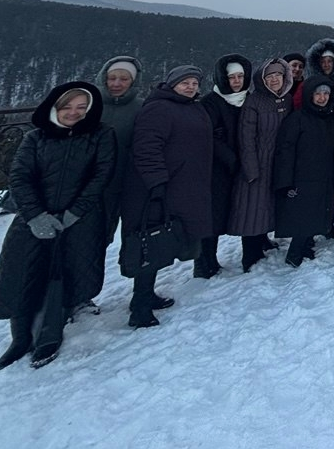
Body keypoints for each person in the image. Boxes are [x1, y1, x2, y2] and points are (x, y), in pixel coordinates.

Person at [0, 82, 114, 371]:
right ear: (54, 107)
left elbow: (101, 175)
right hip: (32, 218)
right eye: (67, 106)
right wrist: (35, 215)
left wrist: (74, 212)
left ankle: (50, 332)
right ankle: (20, 339)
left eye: (82, 107)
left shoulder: (101, 135)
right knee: (21, 273)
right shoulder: (35, 137)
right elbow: (20, 177)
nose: (74, 113)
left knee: (66, 274)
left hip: (80, 220)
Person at [123, 66, 213, 328]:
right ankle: (139, 306)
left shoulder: (192, 107)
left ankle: (146, 294)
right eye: (185, 82)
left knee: (163, 240)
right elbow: (146, 147)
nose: (190, 87)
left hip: (184, 186)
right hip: (160, 189)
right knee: (151, 241)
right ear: (172, 84)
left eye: (194, 83)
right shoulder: (158, 108)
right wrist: (156, 182)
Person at [230, 58, 293, 271]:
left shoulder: (286, 99)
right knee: (251, 209)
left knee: (266, 205)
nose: (274, 80)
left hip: (277, 162)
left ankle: (263, 239)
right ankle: (250, 255)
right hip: (257, 161)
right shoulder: (254, 101)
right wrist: (250, 168)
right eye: (270, 76)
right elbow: (245, 138)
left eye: (278, 75)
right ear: (262, 79)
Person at [274, 77, 334, 268]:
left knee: (316, 211)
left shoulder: (328, 117)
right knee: (302, 215)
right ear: (310, 95)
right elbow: (285, 150)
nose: (322, 98)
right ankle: (294, 253)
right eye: (318, 94)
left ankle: (305, 246)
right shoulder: (297, 119)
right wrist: (285, 180)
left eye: (326, 93)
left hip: (322, 174)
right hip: (301, 176)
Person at [198, 53, 252, 278]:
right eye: (232, 77)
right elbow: (208, 136)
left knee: (242, 209)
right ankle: (205, 261)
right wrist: (231, 159)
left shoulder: (248, 99)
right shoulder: (211, 102)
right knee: (213, 216)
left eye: (240, 76)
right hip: (216, 169)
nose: (237, 81)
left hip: (241, 166)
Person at [95, 56, 143, 250]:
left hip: (123, 180)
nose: (117, 84)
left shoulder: (141, 108)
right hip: (86, 182)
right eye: (112, 78)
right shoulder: (89, 104)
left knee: (108, 233)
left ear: (133, 81)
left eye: (124, 79)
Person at [299, 38, 334, 110]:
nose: (326, 65)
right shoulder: (308, 84)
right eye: (322, 62)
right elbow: (298, 104)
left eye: (329, 61)